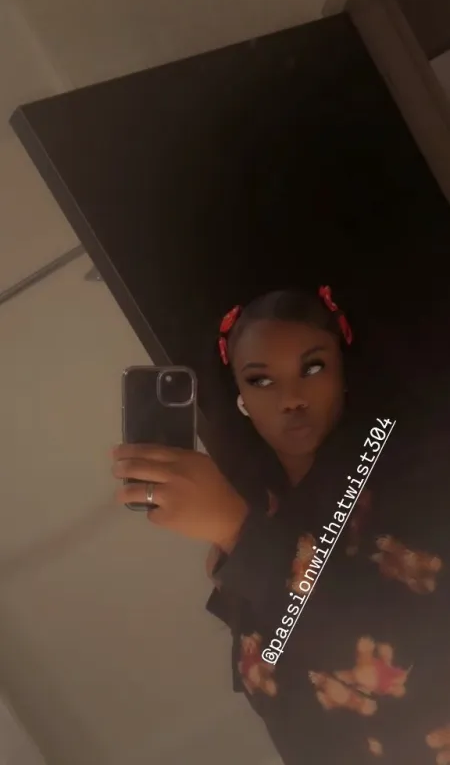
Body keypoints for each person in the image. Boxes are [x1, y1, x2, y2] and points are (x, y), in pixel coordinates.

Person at [111, 287, 450, 765]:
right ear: (241, 397)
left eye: (313, 368)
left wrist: (241, 536)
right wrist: (240, 554)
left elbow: (402, 654)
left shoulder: (412, 474)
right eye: (261, 380)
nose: (291, 398)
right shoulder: (266, 515)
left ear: (343, 370)